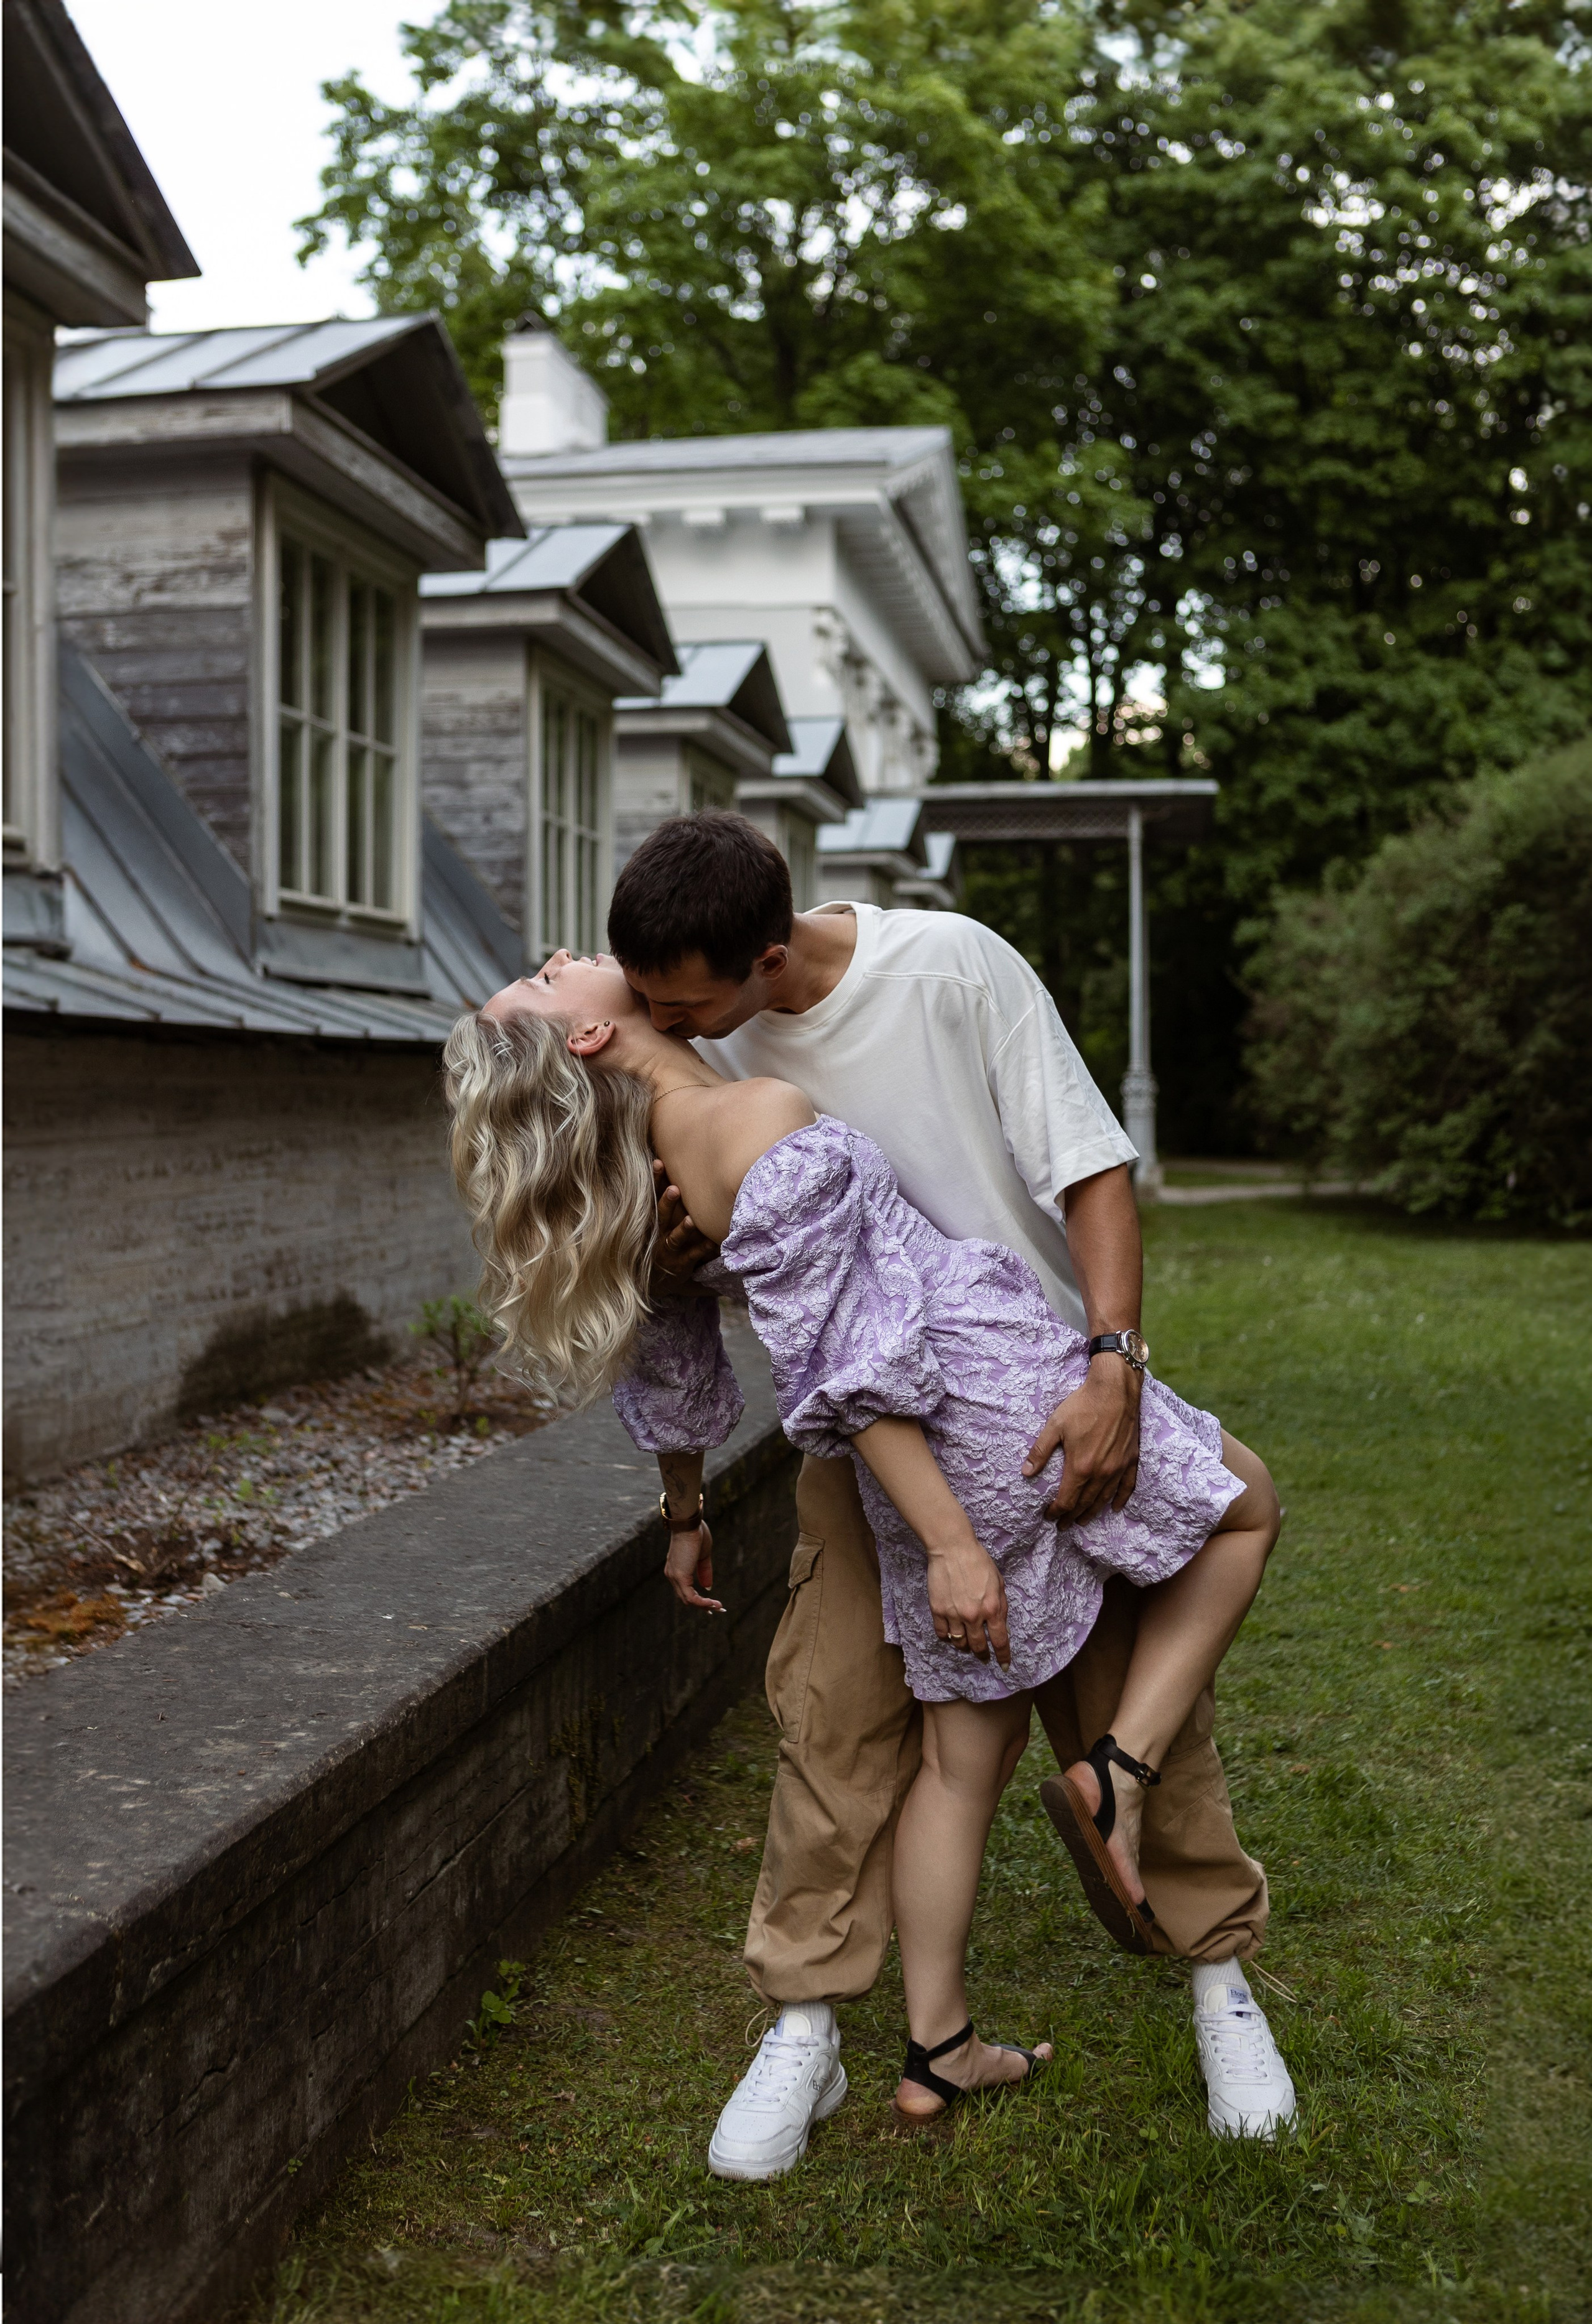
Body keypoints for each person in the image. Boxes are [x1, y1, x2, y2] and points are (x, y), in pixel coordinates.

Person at [445, 948, 1283, 2147]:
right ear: (584, 1038)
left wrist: (685, 1511)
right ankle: (1120, 1773)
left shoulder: (655, 1154)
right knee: (1245, 1507)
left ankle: (942, 2047)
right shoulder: (755, 1104)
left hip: (918, 1452)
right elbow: (854, 1353)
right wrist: (952, 1537)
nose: (566, 955)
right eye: (542, 976)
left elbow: (676, 1364)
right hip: (987, 1404)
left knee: (958, 1760)